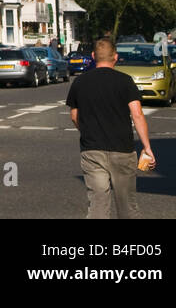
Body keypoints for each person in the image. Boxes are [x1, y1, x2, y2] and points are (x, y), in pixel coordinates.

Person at [65, 39, 154, 219]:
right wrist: (147, 147)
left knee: (97, 204)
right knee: (127, 206)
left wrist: (87, 132)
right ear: (116, 57)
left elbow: (74, 116)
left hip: (92, 149)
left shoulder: (80, 82)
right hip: (122, 149)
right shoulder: (125, 81)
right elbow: (137, 114)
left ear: (93, 57)